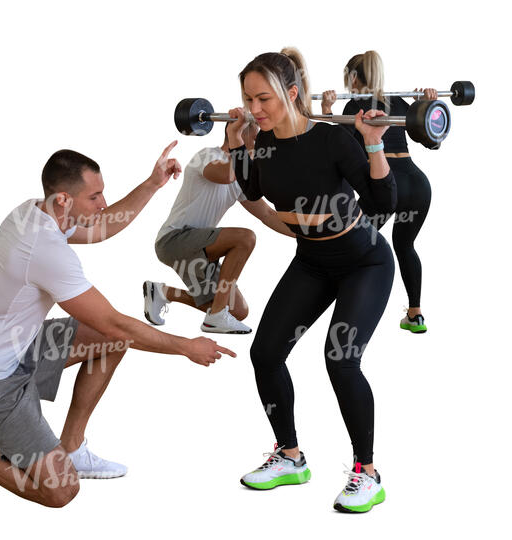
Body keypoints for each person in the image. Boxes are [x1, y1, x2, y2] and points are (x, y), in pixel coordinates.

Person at [0, 143, 235, 507]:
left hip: (19, 346)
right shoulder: (43, 247)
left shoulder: (35, 210)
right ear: (64, 199)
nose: (102, 204)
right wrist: (185, 347)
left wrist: (152, 183)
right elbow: (115, 323)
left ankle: (72, 447)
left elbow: (103, 228)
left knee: (108, 342)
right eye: (94, 196)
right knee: (60, 490)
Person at [227, 48, 396, 513]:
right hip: (313, 263)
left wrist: (375, 144)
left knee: (340, 360)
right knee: (264, 353)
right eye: (247, 99)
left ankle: (368, 473)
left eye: (264, 98)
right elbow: (255, 188)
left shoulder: (330, 140)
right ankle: (290, 457)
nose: (255, 108)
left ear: (293, 93)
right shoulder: (260, 141)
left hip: (365, 262)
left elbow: (382, 202)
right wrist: (237, 144)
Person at [321, 50, 436, 333]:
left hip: (386, 186)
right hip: (417, 185)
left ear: (353, 78)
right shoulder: (399, 102)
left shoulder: (355, 108)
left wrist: (326, 112)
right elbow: (433, 142)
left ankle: (351, 316)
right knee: (404, 246)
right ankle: (415, 315)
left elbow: (338, 151)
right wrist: (427, 107)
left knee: (354, 247)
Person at [145, 126, 296, 334]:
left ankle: (163, 292)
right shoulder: (207, 155)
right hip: (173, 240)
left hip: (201, 249)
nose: (261, 137)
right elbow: (226, 175)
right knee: (245, 238)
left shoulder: (240, 176)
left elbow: (267, 215)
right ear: (239, 134)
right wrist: (246, 151)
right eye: (256, 132)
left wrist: (307, 235)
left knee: (238, 311)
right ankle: (215, 318)